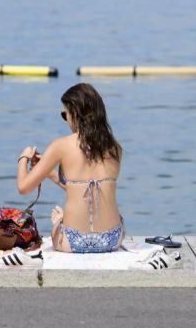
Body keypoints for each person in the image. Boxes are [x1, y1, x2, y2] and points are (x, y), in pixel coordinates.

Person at [16, 83, 124, 253]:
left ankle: (60, 220)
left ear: (74, 113)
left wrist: (23, 158)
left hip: (72, 242)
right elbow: (85, 187)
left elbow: (23, 187)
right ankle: (63, 220)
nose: (66, 119)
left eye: (64, 114)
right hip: (112, 240)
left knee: (59, 220)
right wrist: (52, 174)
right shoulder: (115, 148)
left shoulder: (61, 146)